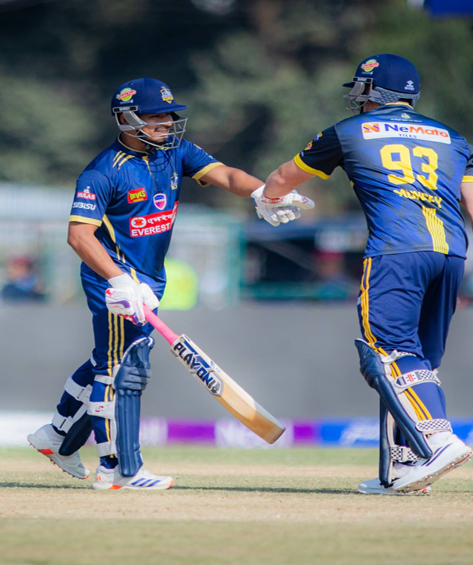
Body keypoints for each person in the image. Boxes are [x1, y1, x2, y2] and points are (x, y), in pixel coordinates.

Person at [26, 78, 313, 490]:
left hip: (150, 278)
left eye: (168, 114)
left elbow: (227, 175)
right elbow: (79, 236)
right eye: (154, 116)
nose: (165, 122)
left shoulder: (175, 151)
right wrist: (120, 281)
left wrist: (264, 194)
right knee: (120, 369)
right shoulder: (102, 171)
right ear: (127, 119)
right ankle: (117, 469)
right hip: (113, 280)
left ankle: (57, 435)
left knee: (109, 358)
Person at [255, 54, 473, 495]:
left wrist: (267, 200)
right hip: (451, 256)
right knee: (420, 362)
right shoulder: (454, 139)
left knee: (390, 354)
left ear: (371, 92)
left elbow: (283, 178)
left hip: (395, 253)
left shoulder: (348, 131)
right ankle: (404, 466)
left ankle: (438, 441)